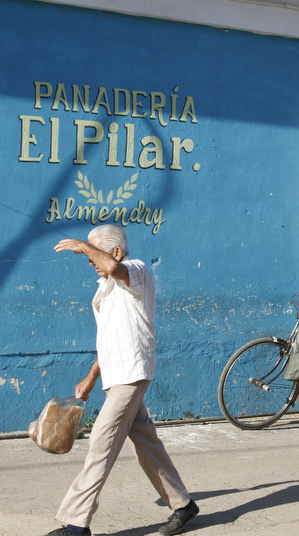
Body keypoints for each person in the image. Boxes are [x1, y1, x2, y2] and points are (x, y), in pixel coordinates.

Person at [46, 224, 199, 536]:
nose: (89, 262)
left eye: (94, 253)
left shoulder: (136, 270)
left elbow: (114, 268)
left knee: (100, 441)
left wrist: (81, 244)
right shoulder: (105, 288)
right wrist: (91, 377)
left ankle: (77, 525)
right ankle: (182, 505)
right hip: (117, 376)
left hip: (132, 374)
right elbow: (113, 339)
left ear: (115, 251)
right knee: (146, 441)